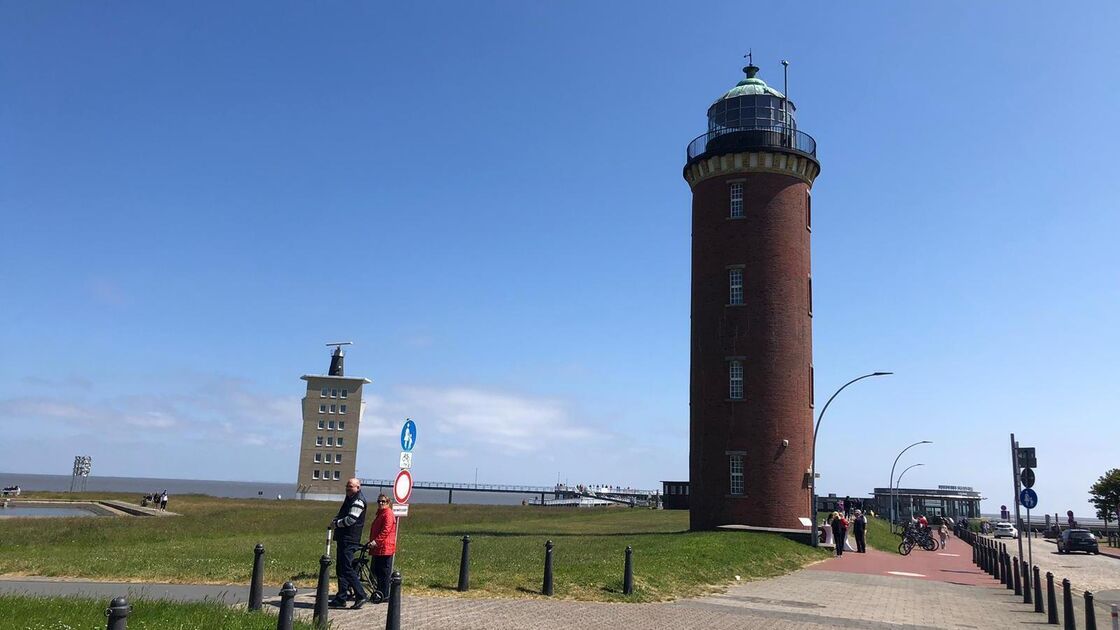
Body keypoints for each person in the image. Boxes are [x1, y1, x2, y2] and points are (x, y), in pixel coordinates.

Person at [329, 478, 369, 609]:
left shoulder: (358, 501)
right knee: (340, 569)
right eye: (347, 486)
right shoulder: (349, 499)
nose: (348, 489)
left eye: (351, 486)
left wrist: (336, 524)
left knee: (347, 568)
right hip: (344, 538)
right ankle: (341, 597)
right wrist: (336, 519)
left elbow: (351, 519)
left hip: (350, 539)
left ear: (358, 487)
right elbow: (342, 514)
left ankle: (361, 594)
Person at [365, 493, 398, 603]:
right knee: (378, 571)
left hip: (385, 547)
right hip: (378, 548)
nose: (381, 503)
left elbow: (385, 530)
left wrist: (375, 542)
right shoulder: (380, 513)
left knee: (384, 573)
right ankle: (379, 592)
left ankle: (384, 595)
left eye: (383, 501)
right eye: (379, 501)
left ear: (388, 503)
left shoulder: (388, 514)